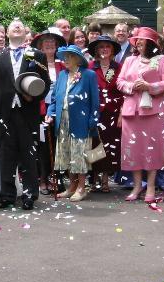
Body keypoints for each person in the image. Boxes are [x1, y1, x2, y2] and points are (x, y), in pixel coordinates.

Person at [0, 20, 50, 210]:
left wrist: (34, 96)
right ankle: (7, 194)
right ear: (6, 33)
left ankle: (30, 194)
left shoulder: (37, 54)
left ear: (25, 32)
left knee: (29, 153)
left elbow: (45, 82)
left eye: (20, 26)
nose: (17, 27)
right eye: (13, 26)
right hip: (5, 111)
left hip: (28, 111)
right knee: (6, 153)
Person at [117, 27, 164, 204]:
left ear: (150, 43)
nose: (139, 42)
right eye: (137, 40)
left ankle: (150, 186)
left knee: (152, 149)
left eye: (142, 40)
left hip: (153, 111)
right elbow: (120, 82)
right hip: (131, 110)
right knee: (133, 150)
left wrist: (149, 87)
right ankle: (137, 185)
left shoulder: (161, 60)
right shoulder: (129, 60)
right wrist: (133, 86)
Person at [45, 45, 100, 202]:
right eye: (64, 56)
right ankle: (71, 187)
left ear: (78, 59)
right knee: (67, 153)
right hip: (62, 120)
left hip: (81, 120)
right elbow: (55, 99)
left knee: (80, 154)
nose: (66, 59)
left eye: (69, 56)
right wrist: (50, 113)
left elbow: (95, 101)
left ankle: (82, 188)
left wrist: (93, 120)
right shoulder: (62, 75)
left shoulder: (88, 75)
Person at [30, 29, 67, 195]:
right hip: (39, 111)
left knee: (59, 145)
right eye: (46, 42)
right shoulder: (35, 65)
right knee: (42, 146)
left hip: (60, 111)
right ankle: (43, 179)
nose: (50, 44)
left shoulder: (63, 65)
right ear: (40, 46)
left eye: (52, 41)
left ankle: (57, 178)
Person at [87, 35, 123, 192]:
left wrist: (122, 113)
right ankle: (94, 178)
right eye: (101, 47)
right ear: (96, 50)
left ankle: (105, 179)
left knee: (111, 145)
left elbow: (123, 93)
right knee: (94, 144)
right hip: (95, 111)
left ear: (112, 50)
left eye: (107, 47)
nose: (104, 50)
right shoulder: (90, 67)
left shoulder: (119, 67)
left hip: (113, 113)